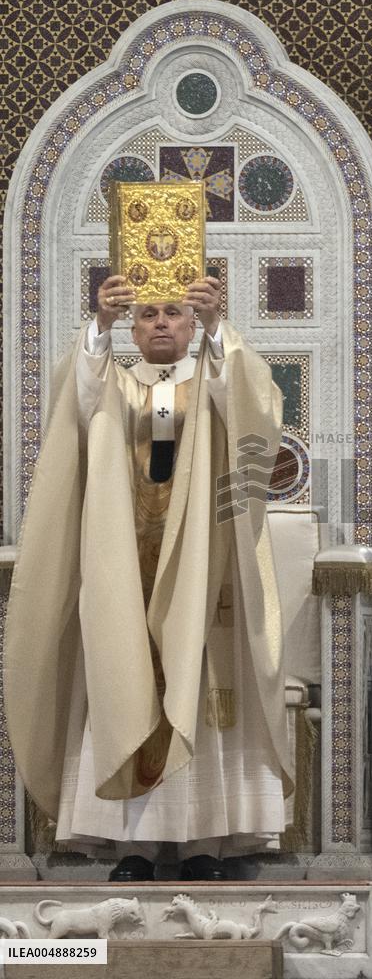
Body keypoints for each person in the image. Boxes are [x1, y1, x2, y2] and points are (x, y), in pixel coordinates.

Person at [5, 274, 294, 882]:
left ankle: (204, 848)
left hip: (202, 572)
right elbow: (75, 404)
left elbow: (254, 411)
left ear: (190, 326)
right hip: (121, 568)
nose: (160, 322)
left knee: (201, 689)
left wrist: (220, 329)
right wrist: (97, 326)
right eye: (146, 315)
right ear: (132, 329)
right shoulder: (111, 382)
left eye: (174, 313)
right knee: (122, 683)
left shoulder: (216, 375)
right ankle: (130, 847)